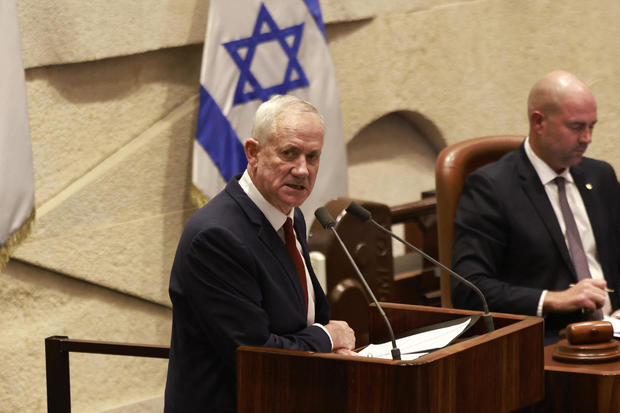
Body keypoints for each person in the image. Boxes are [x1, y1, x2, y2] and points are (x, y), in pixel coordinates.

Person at [164, 95, 356, 412]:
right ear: (253, 153)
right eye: (289, 153)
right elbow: (254, 353)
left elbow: (303, 318)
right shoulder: (217, 237)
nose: (302, 170)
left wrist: (333, 348)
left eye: (312, 156)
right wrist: (327, 338)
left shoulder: (290, 215)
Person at [451, 70, 620, 342]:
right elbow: (469, 289)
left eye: (592, 126)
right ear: (539, 122)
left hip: (612, 333)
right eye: (577, 127)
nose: (587, 138)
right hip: (550, 341)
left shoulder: (600, 176)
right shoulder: (491, 187)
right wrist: (553, 299)